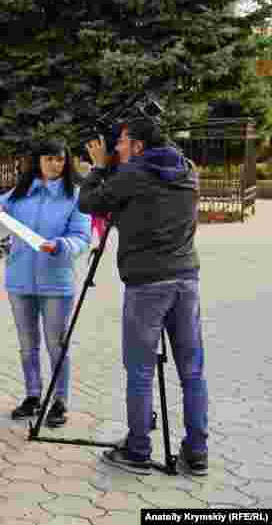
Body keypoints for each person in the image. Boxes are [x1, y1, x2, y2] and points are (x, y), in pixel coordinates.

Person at [79, 118, 209, 476]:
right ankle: (197, 453)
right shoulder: (187, 169)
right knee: (192, 371)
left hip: (147, 285)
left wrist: (100, 168)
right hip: (186, 279)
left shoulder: (131, 176)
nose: (117, 147)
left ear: (138, 146)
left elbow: (88, 203)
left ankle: (137, 450)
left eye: (121, 142)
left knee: (139, 370)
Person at [0, 140, 90, 428]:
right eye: (49, 159)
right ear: (38, 161)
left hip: (56, 283)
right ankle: (33, 396)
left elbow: (82, 238)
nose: (55, 165)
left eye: (60, 160)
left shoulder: (75, 196)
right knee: (27, 345)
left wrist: (60, 245)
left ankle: (59, 400)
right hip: (20, 281)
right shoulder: (22, 193)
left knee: (56, 344)